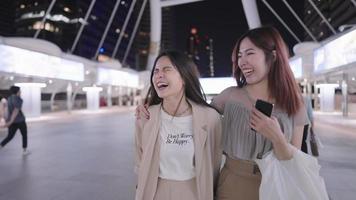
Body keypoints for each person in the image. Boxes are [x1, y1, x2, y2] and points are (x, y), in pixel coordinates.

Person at [136, 26, 309, 200]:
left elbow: (294, 161)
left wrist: (277, 137)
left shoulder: (294, 103)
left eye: (249, 53)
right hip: (232, 186)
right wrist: (153, 105)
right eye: (239, 55)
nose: (242, 61)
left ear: (273, 56)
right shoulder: (230, 96)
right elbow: (193, 111)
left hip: (277, 187)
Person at [134, 50, 222, 200]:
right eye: (156, 71)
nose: (158, 75)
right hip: (154, 192)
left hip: (194, 192)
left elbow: (214, 162)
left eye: (167, 69)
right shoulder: (146, 116)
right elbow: (140, 160)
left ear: (184, 77)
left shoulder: (210, 118)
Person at [0, 86, 29, 155]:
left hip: (12, 121)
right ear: (17, 91)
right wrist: (10, 122)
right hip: (20, 121)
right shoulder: (19, 99)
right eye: (19, 91)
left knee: (10, 136)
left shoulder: (8, 99)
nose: (20, 92)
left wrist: (7, 120)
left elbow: (6, 110)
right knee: (24, 135)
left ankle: (1, 145)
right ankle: (24, 150)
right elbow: (15, 111)